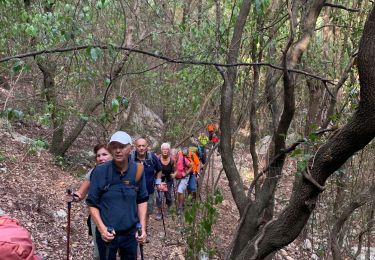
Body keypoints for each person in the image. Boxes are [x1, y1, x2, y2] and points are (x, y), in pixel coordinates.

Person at [86, 131, 148, 260]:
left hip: (130, 233)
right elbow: (92, 203)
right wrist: (102, 229)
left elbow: (142, 200)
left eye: (122, 146)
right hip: (107, 234)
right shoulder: (100, 171)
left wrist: (142, 227)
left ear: (130, 148)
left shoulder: (138, 170)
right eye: (114, 146)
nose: (118, 150)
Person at [66, 144, 112, 260]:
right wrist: (73, 197)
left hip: (119, 216)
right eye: (98, 156)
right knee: (99, 254)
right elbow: (81, 193)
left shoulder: (122, 170)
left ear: (112, 155)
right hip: (97, 216)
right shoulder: (93, 172)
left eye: (105, 154)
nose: (101, 158)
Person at [132, 137, 162, 228]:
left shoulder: (152, 157)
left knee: (146, 213)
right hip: (133, 191)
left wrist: (158, 182)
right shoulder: (130, 158)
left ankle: (143, 231)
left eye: (143, 146)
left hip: (149, 191)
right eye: (139, 146)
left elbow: (159, 169)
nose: (141, 148)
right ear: (135, 147)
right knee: (133, 213)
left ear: (147, 147)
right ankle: (134, 232)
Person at [156, 142, 176, 219]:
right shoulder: (157, 158)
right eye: (163, 149)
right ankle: (159, 212)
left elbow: (176, 170)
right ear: (161, 150)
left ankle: (169, 208)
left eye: (166, 149)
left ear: (169, 150)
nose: (165, 151)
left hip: (168, 180)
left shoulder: (172, 160)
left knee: (168, 195)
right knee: (159, 196)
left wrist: (174, 174)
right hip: (159, 180)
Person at [171, 147, 192, 215]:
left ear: (177, 154)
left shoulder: (183, 159)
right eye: (171, 155)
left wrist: (186, 173)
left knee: (180, 191)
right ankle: (180, 204)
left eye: (174, 155)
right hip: (176, 178)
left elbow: (191, 167)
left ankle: (180, 207)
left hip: (184, 177)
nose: (173, 157)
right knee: (177, 192)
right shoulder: (170, 160)